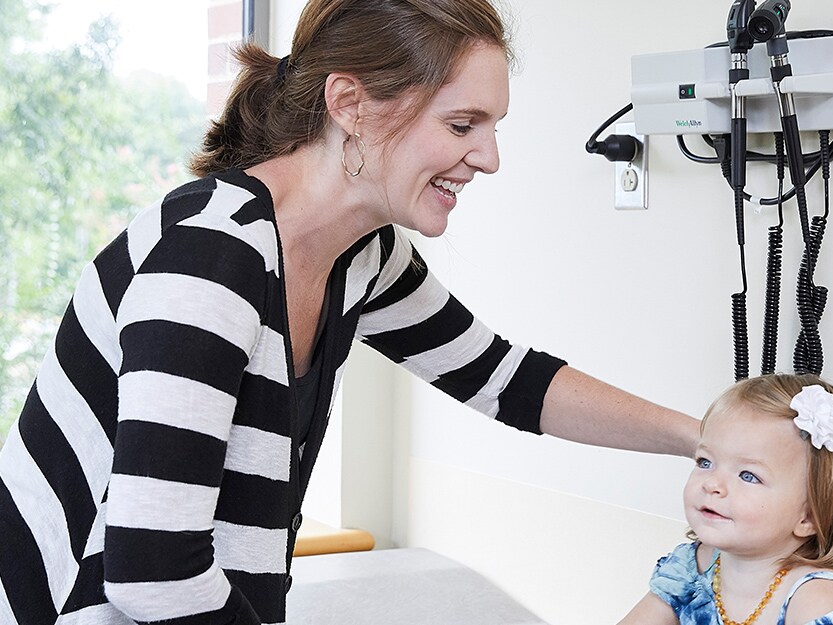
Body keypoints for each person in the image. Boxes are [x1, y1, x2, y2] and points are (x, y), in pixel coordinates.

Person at [0, 1, 698, 623]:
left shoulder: (361, 255)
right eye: (463, 124)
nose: (488, 158)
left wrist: (704, 437)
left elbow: (502, 378)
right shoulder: (211, 257)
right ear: (350, 104)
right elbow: (151, 570)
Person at [619, 374, 833, 625]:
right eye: (705, 462)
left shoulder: (816, 598)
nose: (712, 484)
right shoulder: (694, 567)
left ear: (809, 516)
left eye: (748, 476)